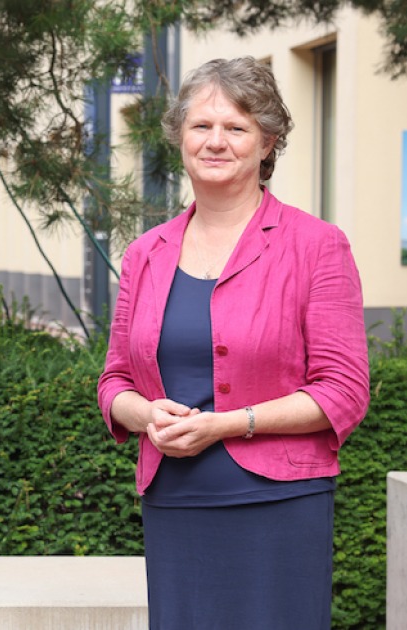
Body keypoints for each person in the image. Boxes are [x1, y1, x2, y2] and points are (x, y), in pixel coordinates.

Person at [96, 57, 370, 629]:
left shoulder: (317, 245)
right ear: (180, 136)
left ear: (267, 142)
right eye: (201, 125)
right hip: (175, 500)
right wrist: (147, 416)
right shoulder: (145, 254)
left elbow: (343, 391)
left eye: (236, 128)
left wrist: (227, 424)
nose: (215, 141)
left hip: (280, 504)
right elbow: (114, 380)